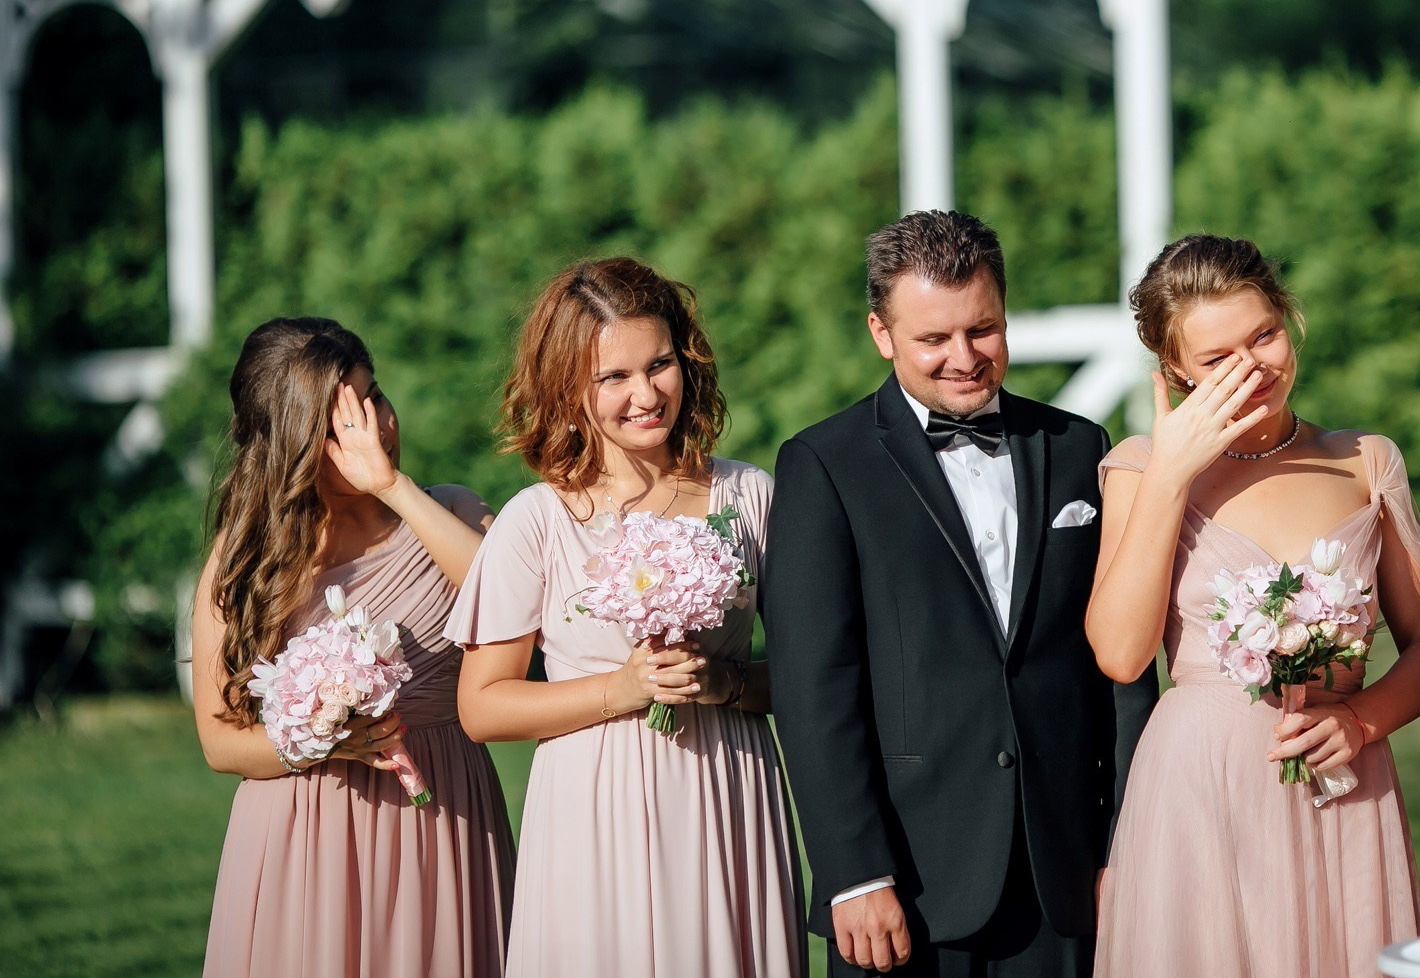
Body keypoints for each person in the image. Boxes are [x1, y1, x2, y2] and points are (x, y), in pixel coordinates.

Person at [764, 210, 1157, 977]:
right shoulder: (823, 463)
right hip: (905, 881)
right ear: (881, 333)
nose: (965, 357)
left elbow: (1123, 669)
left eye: (984, 329)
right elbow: (815, 686)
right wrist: (854, 871)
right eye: (933, 339)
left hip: (1065, 874)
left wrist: (1126, 847)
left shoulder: (1081, 448)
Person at [1085, 235, 1420, 975]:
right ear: (1175, 372)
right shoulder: (1138, 468)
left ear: (1289, 317)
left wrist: (1361, 719)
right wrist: (1170, 473)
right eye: (1217, 359)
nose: (1252, 368)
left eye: (1265, 334)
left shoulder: (1365, 460)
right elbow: (1121, 653)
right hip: (1199, 789)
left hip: (1342, 787)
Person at [449, 258, 802, 977]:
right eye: (614, 377)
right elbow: (482, 705)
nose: (646, 394)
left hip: (726, 796)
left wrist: (725, 684)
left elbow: (815, 676)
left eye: (660, 365)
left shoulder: (750, 495)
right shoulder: (537, 520)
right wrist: (624, 686)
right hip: (592, 816)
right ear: (569, 388)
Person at [194, 316, 513, 977]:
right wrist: (315, 741)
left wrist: (393, 488)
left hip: (442, 816)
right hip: (301, 831)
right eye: (346, 423)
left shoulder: (449, 511)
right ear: (295, 443)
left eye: (376, 398)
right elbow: (220, 740)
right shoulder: (249, 559)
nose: (377, 427)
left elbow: (511, 604)